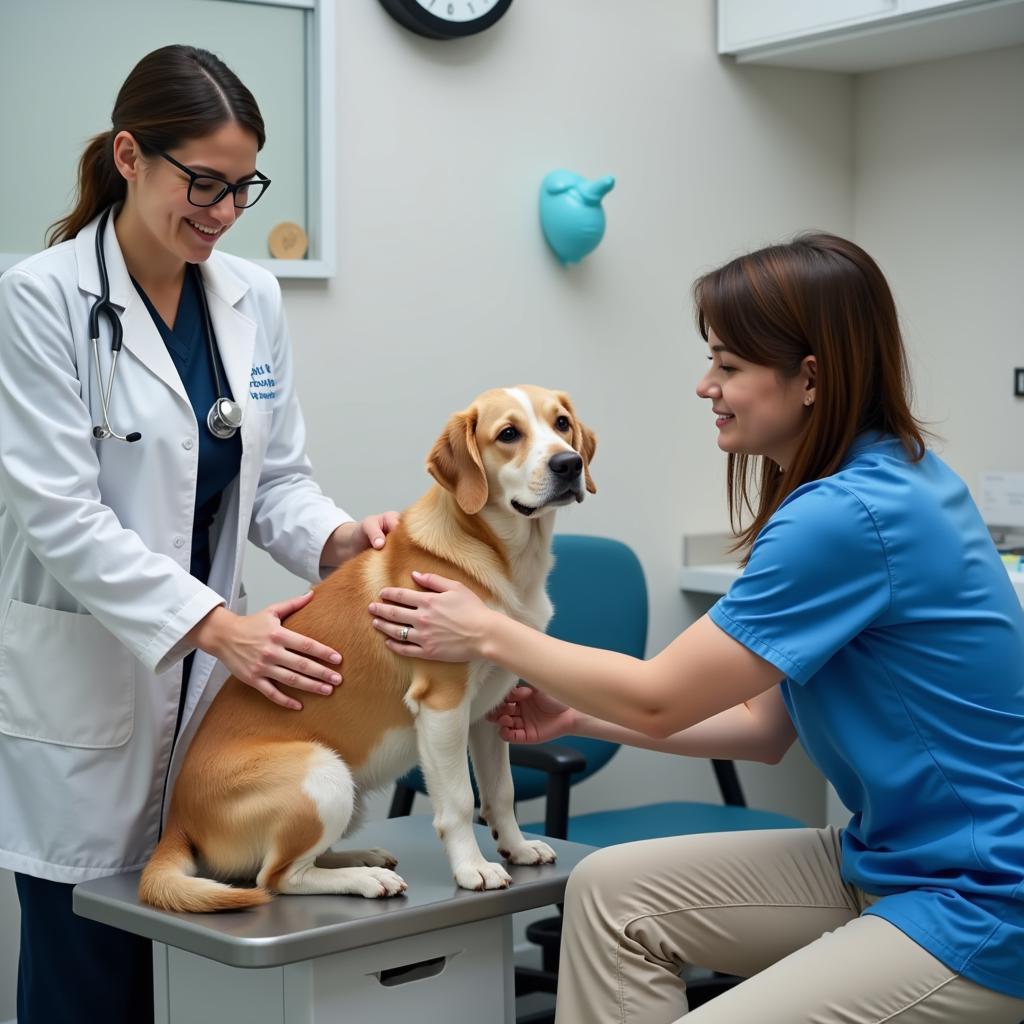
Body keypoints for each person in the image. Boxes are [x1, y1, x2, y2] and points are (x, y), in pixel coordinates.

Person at [368, 233, 1024, 1022]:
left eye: (729, 365)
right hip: (891, 858)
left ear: (808, 378)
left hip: (983, 900)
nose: (705, 385)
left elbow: (659, 699)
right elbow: (760, 727)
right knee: (608, 894)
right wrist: (576, 715)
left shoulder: (847, 516)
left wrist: (483, 631)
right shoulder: (884, 479)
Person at [0, 45, 397, 1024]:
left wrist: (339, 541)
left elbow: (276, 482)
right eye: (202, 183)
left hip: (212, 696)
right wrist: (217, 626)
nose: (221, 212)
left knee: (198, 981)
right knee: (85, 979)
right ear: (130, 157)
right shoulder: (39, 297)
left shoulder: (249, 298)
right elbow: (61, 513)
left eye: (241, 187)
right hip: (86, 689)